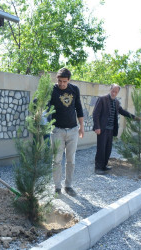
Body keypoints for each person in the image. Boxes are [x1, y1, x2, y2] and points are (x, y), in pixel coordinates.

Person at [49, 68, 84, 197]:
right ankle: (57, 187)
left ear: (69, 80)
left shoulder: (75, 89)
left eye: (64, 81)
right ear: (56, 79)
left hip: (73, 130)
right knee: (56, 160)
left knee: (71, 160)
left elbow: (79, 107)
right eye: (59, 81)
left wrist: (81, 126)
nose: (62, 84)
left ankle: (68, 186)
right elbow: (46, 105)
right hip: (57, 130)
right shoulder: (52, 89)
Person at [93, 84, 140, 175]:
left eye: (116, 92)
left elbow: (122, 112)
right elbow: (95, 114)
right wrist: (97, 127)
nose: (114, 93)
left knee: (108, 149)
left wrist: (134, 117)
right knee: (101, 149)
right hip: (102, 129)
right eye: (113, 91)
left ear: (118, 92)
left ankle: (104, 166)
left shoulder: (117, 102)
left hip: (111, 130)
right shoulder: (102, 99)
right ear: (110, 89)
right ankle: (98, 168)